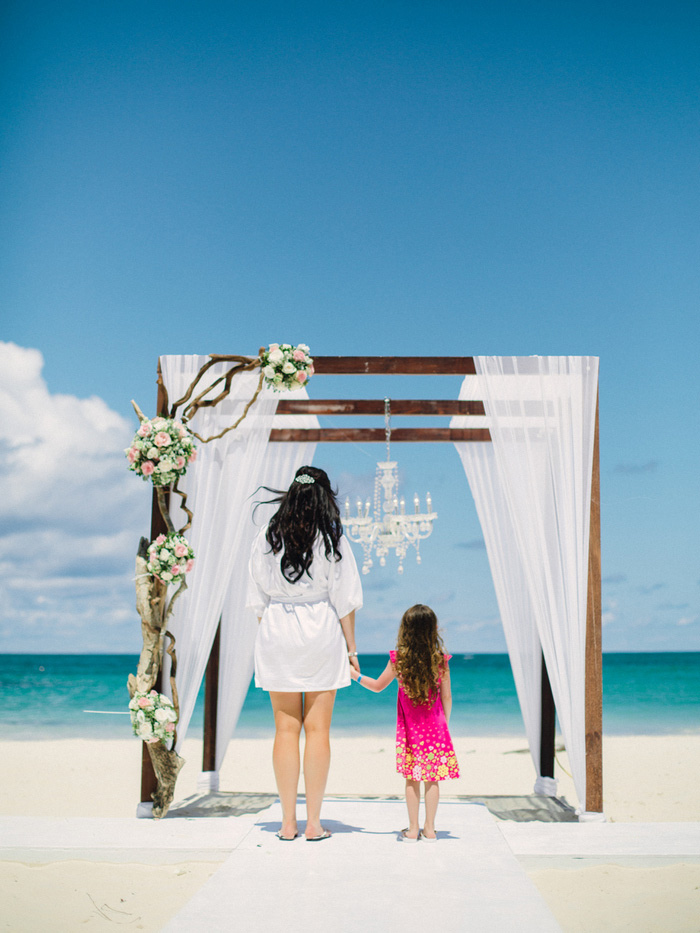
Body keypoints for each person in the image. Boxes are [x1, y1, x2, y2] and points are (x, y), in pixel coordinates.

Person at [246, 466, 362, 841]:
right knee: (317, 730)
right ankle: (314, 823)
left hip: (278, 626)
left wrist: (275, 627)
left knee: (285, 729)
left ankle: (286, 823)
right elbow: (345, 601)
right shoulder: (332, 538)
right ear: (324, 497)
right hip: (320, 631)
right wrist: (352, 649)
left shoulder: (267, 535)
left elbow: (257, 598)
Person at [350, 604, 459, 842]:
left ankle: (412, 829)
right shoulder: (439, 660)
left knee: (412, 778)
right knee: (433, 778)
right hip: (436, 727)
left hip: (411, 730)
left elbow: (378, 686)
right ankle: (430, 829)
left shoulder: (399, 660)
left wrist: (354, 675)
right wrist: (444, 724)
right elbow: (447, 697)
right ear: (433, 630)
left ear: (405, 629)